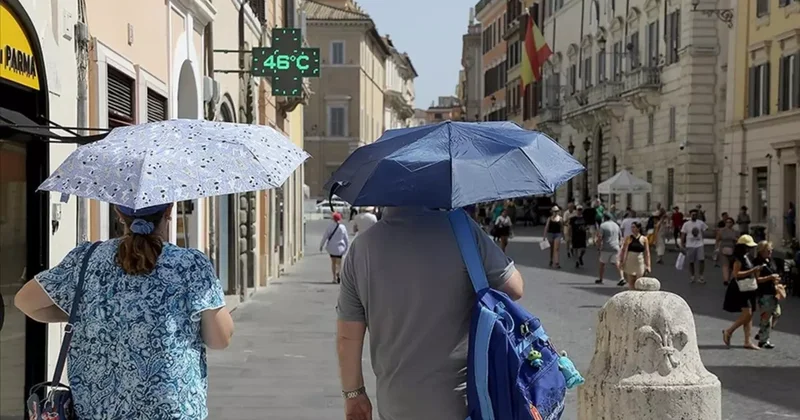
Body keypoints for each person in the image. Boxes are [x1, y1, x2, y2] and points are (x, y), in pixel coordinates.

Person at [14, 203, 233, 419]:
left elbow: (26, 302)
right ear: (168, 211)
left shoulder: (86, 259)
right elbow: (220, 339)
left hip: (96, 410)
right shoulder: (190, 265)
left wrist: (92, 313)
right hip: (171, 409)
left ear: (118, 214)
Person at [335, 207, 524, 420]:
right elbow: (515, 288)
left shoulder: (361, 248)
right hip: (461, 402)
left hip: (396, 403)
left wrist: (354, 394)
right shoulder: (462, 231)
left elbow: (347, 337)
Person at [722, 235, 771, 350]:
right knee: (747, 313)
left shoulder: (746, 256)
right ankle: (729, 331)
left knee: (750, 314)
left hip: (748, 287)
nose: (750, 249)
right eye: (748, 247)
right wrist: (753, 270)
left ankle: (747, 341)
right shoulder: (738, 259)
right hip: (740, 288)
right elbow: (736, 274)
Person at [752, 241, 783, 349]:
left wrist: (777, 279)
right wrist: (769, 278)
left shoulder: (770, 260)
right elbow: (757, 279)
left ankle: (762, 333)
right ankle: (763, 341)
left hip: (773, 291)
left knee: (777, 313)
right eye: (768, 250)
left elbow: (775, 272)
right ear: (761, 251)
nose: (770, 252)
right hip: (764, 293)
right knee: (766, 317)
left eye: (771, 250)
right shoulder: (757, 262)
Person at [619, 221, 651, 289]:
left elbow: (647, 253)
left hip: (640, 261)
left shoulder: (644, 239)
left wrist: (648, 265)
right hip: (630, 261)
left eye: (634, 227)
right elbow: (624, 250)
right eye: (632, 227)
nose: (632, 229)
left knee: (639, 282)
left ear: (638, 228)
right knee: (631, 281)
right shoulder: (628, 238)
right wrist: (622, 262)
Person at [320, 212, 350, 284]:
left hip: (332, 248)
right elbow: (346, 239)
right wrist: (347, 247)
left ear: (333, 219)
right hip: (340, 248)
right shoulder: (343, 227)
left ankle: (334, 278)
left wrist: (321, 245)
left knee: (333, 263)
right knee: (339, 263)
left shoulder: (330, 226)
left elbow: (325, 237)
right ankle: (338, 273)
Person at [595, 213, 625, 285]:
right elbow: (620, 236)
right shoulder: (616, 225)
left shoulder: (603, 226)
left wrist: (599, 247)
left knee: (602, 264)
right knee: (617, 263)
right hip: (615, 246)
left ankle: (601, 278)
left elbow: (600, 237)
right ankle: (622, 277)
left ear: (604, 218)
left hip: (606, 247)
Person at [681, 208, 708, 283]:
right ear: (690, 215)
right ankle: (692, 276)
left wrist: (702, 238)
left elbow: (705, 230)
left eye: (695, 215)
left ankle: (701, 276)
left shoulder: (700, 223)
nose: (694, 216)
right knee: (691, 261)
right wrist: (682, 244)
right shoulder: (686, 224)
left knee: (701, 260)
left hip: (699, 244)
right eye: (693, 215)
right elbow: (683, 234)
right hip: (690, 245)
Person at [716, 217, 738, 286]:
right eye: (727, 222)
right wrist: (716, 248)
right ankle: (725, 280)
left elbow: (738, 240)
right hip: (723, 249)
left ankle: (729, 278)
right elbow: (718, 239)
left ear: (733, 223)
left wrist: (735, 239)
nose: (728, 223)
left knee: (731, 266)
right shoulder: (721, 231)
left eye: (730, 222)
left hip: (732, 249)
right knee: (725, 265)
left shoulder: (735, 232)